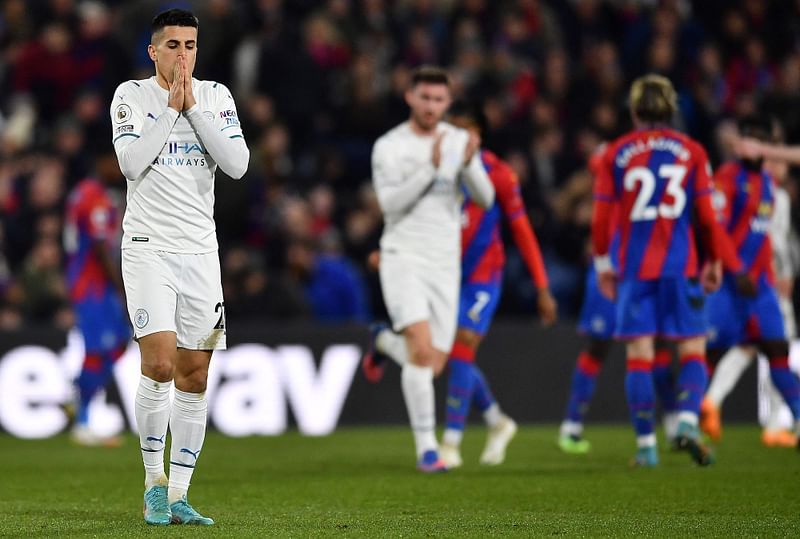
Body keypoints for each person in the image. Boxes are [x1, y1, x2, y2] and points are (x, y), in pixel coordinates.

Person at [111, 8, 249, 525]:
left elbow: (237, 165)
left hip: (201, 253)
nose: (183, 55)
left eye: (190, 45)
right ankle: (153, 482)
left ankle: (180, 495)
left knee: (195, 374)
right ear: (153, 51)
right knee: (161, 363)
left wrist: (193, 109)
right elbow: (130, 163)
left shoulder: (216, 96)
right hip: (148, 247)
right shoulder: (131, 95)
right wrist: (171, 110)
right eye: (172, 46)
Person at [592, 74, 742, 467]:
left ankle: (646, 447)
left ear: (632, 109)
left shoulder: (616, 153)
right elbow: (708, 218)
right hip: (681, 265)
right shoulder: (691, 151)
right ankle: (688, 422)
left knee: (639, 356)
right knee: (692, 347)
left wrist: (603, 264)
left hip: (634, 268)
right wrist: (715, 260)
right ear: (673, 108)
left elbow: (601, 219)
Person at [362, 66, 495, 472]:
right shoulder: (390, 146)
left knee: (433, 362)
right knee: (421, 350)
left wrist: (469, 164)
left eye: (440, 100)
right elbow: (390, 205)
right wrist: (431, 168)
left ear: (448, 103)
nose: (432, 107)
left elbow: (486, 199)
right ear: (410, 98)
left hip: (444, 263)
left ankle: (385, 342)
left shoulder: (458, 141)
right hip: (403, 255)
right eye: (426, 98)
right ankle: (428, 450)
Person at [424, 102, 558, 469]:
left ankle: (450, 444)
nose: (461, 137)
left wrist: (543, 286)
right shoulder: (436, 167)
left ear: (481, 135)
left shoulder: (498, 174)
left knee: (464, 346)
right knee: (454, 352)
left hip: (485, 275)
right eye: (456, 129)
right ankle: (497, 421)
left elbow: (523, 231)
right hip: (446, 275)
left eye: (469, 130)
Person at [558, 148, 679, 455]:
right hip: (610, 273)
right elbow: (572, 207)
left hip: (641, 271)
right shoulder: (609, 183)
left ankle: (674, 423)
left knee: (658, 346)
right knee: (599, 347)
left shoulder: (637, 181)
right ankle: (571, 426)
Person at [701, 117, 800, 447]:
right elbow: (718, 228)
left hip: (762, 285)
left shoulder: (770, 186)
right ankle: (688, 415)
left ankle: (789, 417)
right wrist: (733, 267)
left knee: (775, 350)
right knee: (714, 352)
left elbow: (771, 240)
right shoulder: (730, 178)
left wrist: (776, 275)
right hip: (735, 284)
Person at [64, 149, 131, 447]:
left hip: (90, 282)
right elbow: (101, 247)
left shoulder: (84, 193)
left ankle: (78, 392)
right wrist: (120, 286)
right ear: (103, 161)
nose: (120, 167)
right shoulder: (96, 198)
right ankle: (82, 421)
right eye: (116, 160)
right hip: (92, 284)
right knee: (98, 347)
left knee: (119, 339)